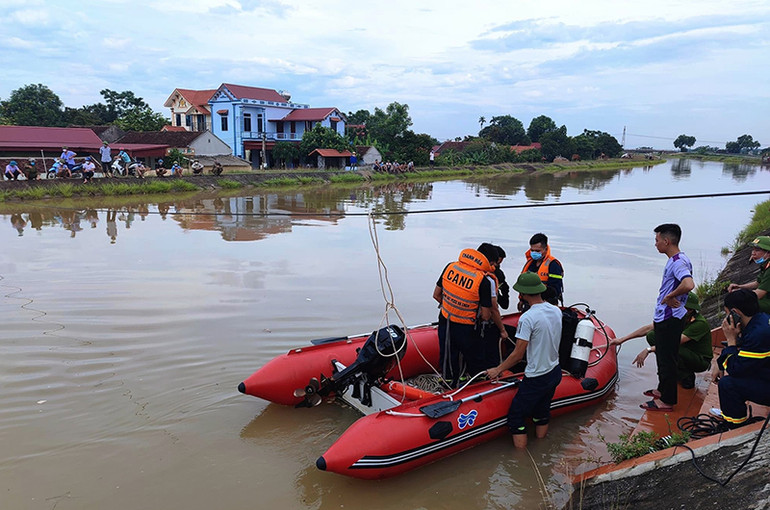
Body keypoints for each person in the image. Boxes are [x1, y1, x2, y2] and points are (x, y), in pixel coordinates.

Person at [486, 272, 563, 448]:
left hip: (537, 376)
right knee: (542, 412)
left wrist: (497, 370)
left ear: (523, 294)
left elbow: (518, 354)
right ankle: (541, 449)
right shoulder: (555, 310)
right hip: (554, 370)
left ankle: (521, 457)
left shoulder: (527, 318)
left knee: (516, 417)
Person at [639, 223, 694, 412]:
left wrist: (670, 296)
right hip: (667, 317)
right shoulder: (676, 259)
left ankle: (667, 401)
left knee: (667, 359)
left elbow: (688, 284)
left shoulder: (678, 262)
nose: (655, 244)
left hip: (671, 318)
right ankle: (662, 389)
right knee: (663, 356)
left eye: (657, 240)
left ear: (667, 241)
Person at [433, 247, 507, 386]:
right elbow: (486, 315)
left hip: (445, 319)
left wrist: (452, 307)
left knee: (447, 354)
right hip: (467, 326)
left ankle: (447, 382)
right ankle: (476, 383)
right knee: (474, 358)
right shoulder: (483, 281)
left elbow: (436, 295)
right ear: (489, 262)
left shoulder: (451, 267)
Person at [610, 292, 712, 390]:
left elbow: (674, 343)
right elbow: (648, 328)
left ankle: (686, 376)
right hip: (683, 349)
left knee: (673, 348)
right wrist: (622, 340)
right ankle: (670, 370)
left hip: (699, 360)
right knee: (652, 336)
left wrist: (649, 350)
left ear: (689, 310)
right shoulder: (676, 316)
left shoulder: (699, 323)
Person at [712, 289, 770, 428]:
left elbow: (735, 369)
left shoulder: (758, 335)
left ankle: (735, 426)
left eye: (727, 314)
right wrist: (720, 362)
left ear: (735, 313)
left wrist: (731, 340)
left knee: (728, 384)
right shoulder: (761, 320)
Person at [727, 236, 770, 314]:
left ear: (768, 253)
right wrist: (740, 287)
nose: (753, 253)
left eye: (757, 250)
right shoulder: (766, 264)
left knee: (740, 303)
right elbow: (758, 283)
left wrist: (739, 295)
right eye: (753, 250)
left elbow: (759, 294)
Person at [521, 233, 564, 307]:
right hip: (528, 303)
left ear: (545, 249)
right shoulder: (530, 263)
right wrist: (521, 300)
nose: (534, 253)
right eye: (532, 250)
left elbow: (556, 289)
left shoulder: (553, 265)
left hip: (546, 304)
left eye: (537, 251)